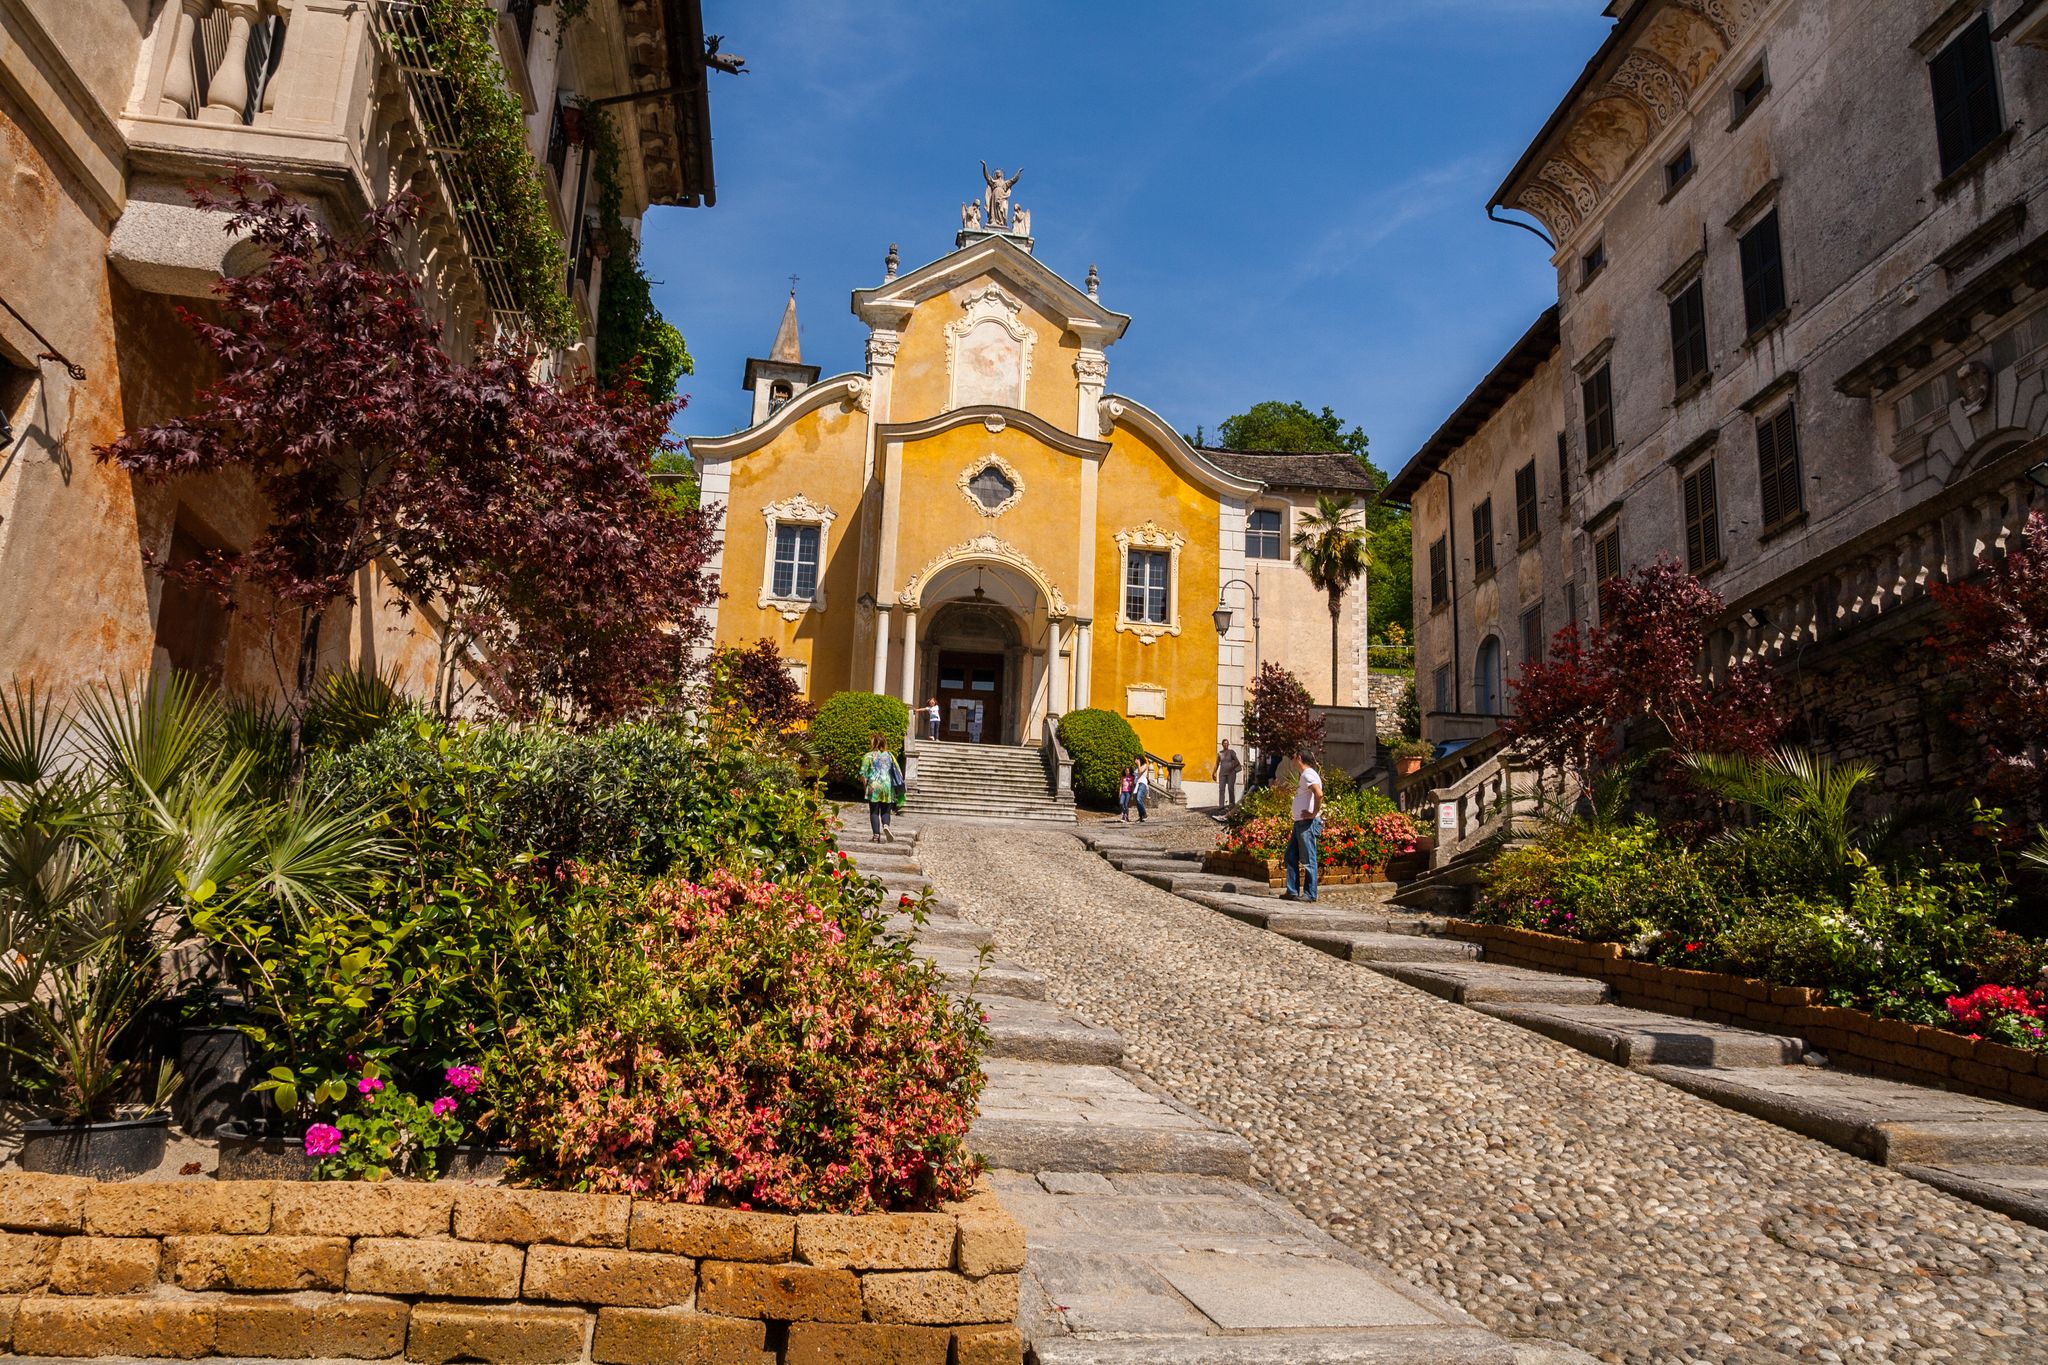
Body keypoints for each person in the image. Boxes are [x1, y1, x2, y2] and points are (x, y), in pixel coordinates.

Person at [1282, 746, 1324, 902]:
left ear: (1299, 757)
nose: (1293, 761)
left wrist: (1313, 813)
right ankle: (1292, 891)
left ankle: (1310, 894)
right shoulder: (1306, 775)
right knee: (1291, 855)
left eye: (1294, 757)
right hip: (1300, 823)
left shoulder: (1308, 774)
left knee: (1308, 858)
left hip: (1306, 823)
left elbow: (1318, 794)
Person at [858, 734, 903, 843]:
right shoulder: (890, 756)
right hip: (887, 786)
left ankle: (876, 836)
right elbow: (898, 772)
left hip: (874, 785)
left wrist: (865, 787)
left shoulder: (868, 756)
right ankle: (886, 825)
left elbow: (863, 774)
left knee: (874, 812)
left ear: (873, 743)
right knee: (886, 811)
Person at [1216, 738, 1242, 810]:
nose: (1226, 744)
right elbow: (1217, 764)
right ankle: (1221, 805)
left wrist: (1231, 767)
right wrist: (1214, 772)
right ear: (1222, 744)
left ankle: (1231, 804)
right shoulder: (1220, 753)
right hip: (1222, 773)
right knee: (1221, 789)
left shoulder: (1231, 752)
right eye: (1224, 743)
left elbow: (1237, 762)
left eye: (1227, 743)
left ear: (1228, 744)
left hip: (1231, 773)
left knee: (1230, 788)